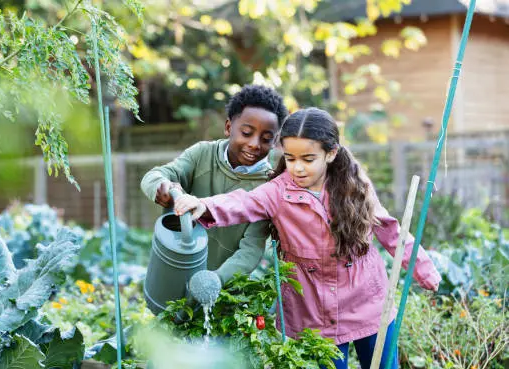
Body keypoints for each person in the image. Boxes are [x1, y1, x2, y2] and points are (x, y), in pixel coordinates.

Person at [174, 107, 441, 369]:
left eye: (308, 159)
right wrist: (204, 205)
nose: (297, 168)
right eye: (290, 158)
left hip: (367, 300)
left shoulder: (354, 183)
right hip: (313, 311)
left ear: (331, 153)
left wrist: (422, 269)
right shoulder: (277, 193)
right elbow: (241, 202)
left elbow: (390, 229)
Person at [140, 84, 288, 285]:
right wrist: (162, 187)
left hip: (224, 286)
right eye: (246, 132)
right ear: (228, 127)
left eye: (266, 138)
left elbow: (251, 249)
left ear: (275, 140)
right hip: (175, 270)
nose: (254, 144)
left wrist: (215, 280)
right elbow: (156, 175)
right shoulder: (203, 154)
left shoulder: (268, 186)